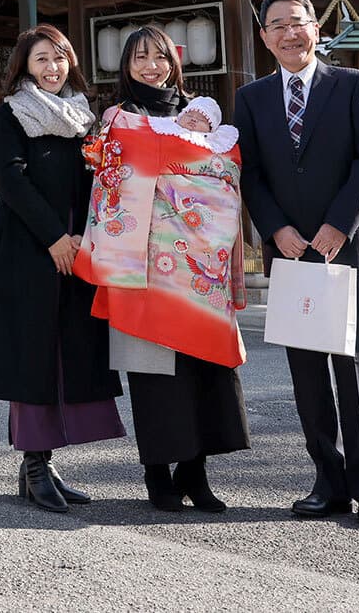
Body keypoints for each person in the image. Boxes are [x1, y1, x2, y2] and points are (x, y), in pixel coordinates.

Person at [234, 0, 359, 528]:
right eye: (276, 25)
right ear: (264, 37)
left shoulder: (354, 85)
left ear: (315, 28)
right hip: (290, 253)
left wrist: (337, 226)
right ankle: (327, 480)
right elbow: (250, 173)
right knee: (306, 376)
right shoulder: (252, 98)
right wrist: (275, 229)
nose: (288, 33)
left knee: (357, 370)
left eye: (297, 23)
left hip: (349, 248)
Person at [79, 26, 250, 515]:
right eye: (139, 58)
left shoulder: (202, 116)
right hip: (146, 264)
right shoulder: (119, 117)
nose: (150, 66)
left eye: (159, 57)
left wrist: (187, 176)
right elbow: (118, 180)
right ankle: (158, 472)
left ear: (175, 62)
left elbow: (227, 172)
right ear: (125, 67)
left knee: (204, 369)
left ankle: (196, 472)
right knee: (153, 372)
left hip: (201, 263)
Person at [0, 23, 124, 513]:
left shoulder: (84, 117)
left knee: (68, 350)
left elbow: (99, 180)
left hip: (79, 246)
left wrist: (88, 234)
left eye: (60, 58)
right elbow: (13, 183)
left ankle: (42, 464)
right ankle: (36, 463)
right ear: (24, 66)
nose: (52, 67)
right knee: (33, 354)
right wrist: (53, 238)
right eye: (42, 59)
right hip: (30, 247)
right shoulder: (10, 116)